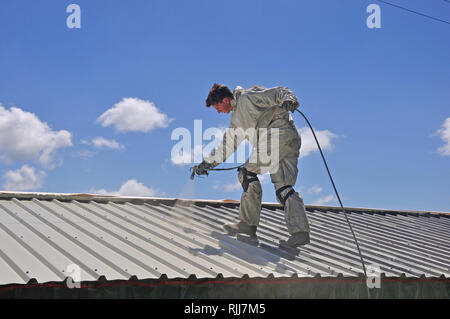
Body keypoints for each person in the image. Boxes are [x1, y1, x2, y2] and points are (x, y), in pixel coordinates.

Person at [194, 83, 310, 248]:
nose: (218, 111)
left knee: (247, 173)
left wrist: (289, 98)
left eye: (217, 107)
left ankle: (248, 226)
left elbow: (277, 92)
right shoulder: (236, 120)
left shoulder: (248, 98)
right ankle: (300, 233)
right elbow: (227, 146)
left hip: (277, 135)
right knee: (284, 188)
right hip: (290, 138)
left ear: (226, 100)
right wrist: (207, 163)